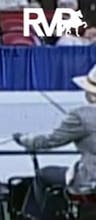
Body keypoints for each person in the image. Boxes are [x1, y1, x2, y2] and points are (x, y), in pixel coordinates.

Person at [13, 64, 96, 195]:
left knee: (43, 175)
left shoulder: (81, 116)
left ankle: (41, 215)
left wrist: (24, 140)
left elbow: (51, 141)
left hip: (91, 178)